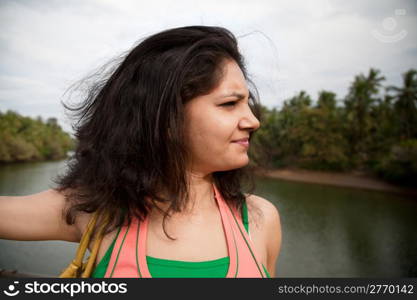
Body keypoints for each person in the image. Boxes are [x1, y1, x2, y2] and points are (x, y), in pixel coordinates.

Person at [0, 25, 281, 278]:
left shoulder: (261, 218)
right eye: (230, 103)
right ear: (166, 118)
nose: (253, 121)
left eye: (248, 103)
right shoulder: (95, 211)